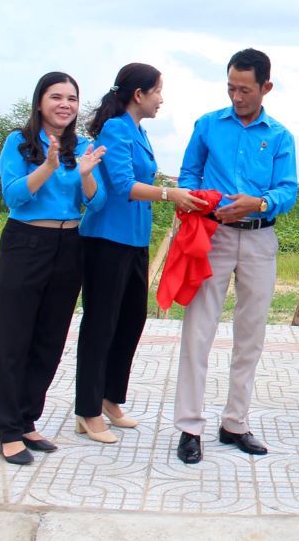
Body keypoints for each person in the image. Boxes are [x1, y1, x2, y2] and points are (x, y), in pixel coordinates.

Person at [172, 49, 299, 464]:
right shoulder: (208, 125)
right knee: (198, 330)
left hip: (260, 239)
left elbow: (287, 190)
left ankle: (235, 422)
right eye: (231, 88)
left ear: (266, 87)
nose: (237, 97)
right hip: (213, 235)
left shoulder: (279, 136)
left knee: (250, 334)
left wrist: (258, 204)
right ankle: (190, 426)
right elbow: (189, 174)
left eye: (245, 89)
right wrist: (198, 201)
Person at [76, 63, 205, 443]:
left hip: (134, 240)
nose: (161, 99)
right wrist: (170, 195)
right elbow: (121, 185)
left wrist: (176, 187)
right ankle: (86, 410)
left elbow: (145, 176)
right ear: (139, 94)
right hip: (106, 240)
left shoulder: (139, 131)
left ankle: (110, 398)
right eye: (158, 91)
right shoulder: (115, 129)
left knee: (130, 320)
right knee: (100, 324)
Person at [0, 73, 107, 465]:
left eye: (72, 98)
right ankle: (7, 430)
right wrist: (49, 165)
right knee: (12, 337)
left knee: (49, 339)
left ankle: (27, 419)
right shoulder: (18, 143)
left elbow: (98, 202)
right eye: (56, 96)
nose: (65, 104)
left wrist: (86, 174)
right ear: (40, 101)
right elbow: (16, 195)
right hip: (26, 242)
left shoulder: (84, 147)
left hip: (69, 244)